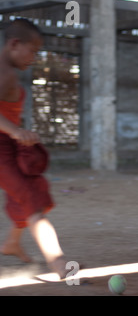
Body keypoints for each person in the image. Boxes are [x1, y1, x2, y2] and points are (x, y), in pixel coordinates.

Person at [0, 19, 72, 279]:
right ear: (14, 44)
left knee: (26, 193)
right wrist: (16, 131)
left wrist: (16, 134)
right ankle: (59, 263)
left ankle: (11, 243)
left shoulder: (9, 73)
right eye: (32, 50)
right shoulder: (4, 73)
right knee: (31, 202)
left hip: (8, 146)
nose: (35, 57)